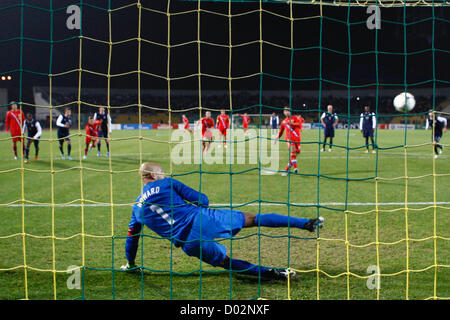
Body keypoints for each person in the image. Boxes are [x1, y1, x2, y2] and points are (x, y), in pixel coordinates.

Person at [120, 162, 324, 280]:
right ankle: (306, 223)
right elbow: (203, 200)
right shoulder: (167, 183)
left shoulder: (136, 208)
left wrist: (130, 264)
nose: (164, 174)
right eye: (161, 172)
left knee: (226, 263)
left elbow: (132, 239)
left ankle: (273, 273)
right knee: (253, 219)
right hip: (201, 220)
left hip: (188, 243)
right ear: (153, 175)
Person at [273, 107, 304, 176]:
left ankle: (287, 170)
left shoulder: (295, 118)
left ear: (290, 112)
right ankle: (294, 168)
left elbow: (299, 124)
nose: (286, 112)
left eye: (288, 111)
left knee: (297, 152)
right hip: (289, 139)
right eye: (285, 111)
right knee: (293, 153)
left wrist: (291, 124)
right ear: (284, 112)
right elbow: (281, 132)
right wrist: (276, 138)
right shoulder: (283, 122)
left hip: (297, 138)